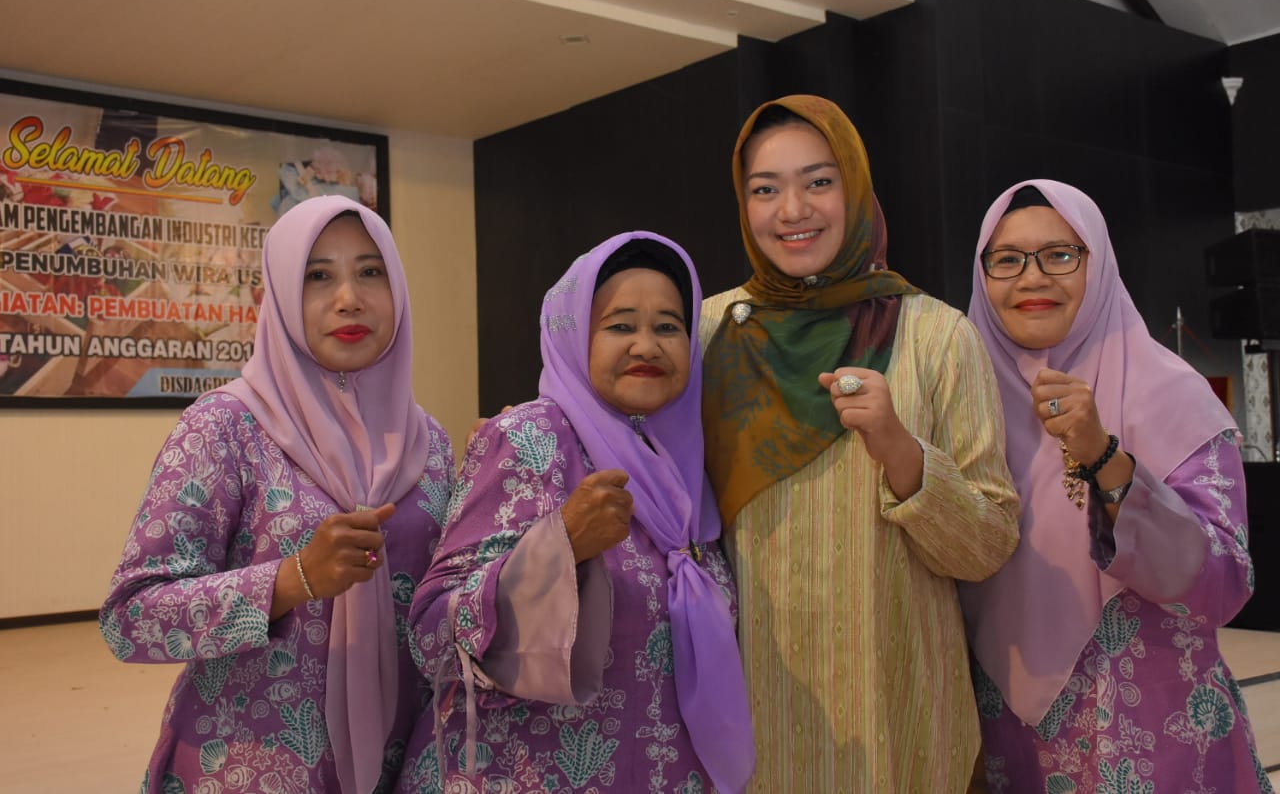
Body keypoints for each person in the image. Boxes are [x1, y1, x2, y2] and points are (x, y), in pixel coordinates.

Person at [698, 94, 1021, 792]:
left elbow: (987, 545)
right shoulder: (707, 334)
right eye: (765, 189)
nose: (792, 210)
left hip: (896, 721)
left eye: (819, 181)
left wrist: (901, 451)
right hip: (749, 721)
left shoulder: (936, 336)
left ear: (856, 186)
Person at [100, 195, 456, 794]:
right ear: (282, 294)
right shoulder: (225, 427)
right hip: (252, 765)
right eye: (318, 276)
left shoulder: (430, 442)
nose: (349, 297)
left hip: (402, 763)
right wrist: (294, 579)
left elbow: (443, 609)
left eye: (371, 271)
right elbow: (131, 618)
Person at [397, 232, 755, 793]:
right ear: (573, 336)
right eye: (620, 326)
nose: (647, 346)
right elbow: (431, 637)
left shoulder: (690, 472)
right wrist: (559, 546)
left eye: (668, 327)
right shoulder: (528, 439)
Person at [959, 179, 1273, 792]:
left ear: (1097, 264)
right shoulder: (958, 405)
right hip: (1001, 738)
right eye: (1007, 259)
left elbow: (1225, 582)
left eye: (1060, 255)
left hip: (1151, 731)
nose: (1032, 277)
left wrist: (1104, 457)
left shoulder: (1171, 395)